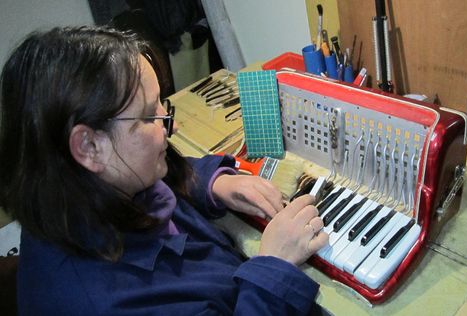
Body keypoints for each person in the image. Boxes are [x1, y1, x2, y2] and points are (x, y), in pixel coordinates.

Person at [0, 26, 328, 315]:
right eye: (148, 116)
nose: (172, 126)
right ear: (88, 147)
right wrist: (275, 267)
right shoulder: (108, 302)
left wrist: (212, 183)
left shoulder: (74, 188)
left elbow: (163, 171)